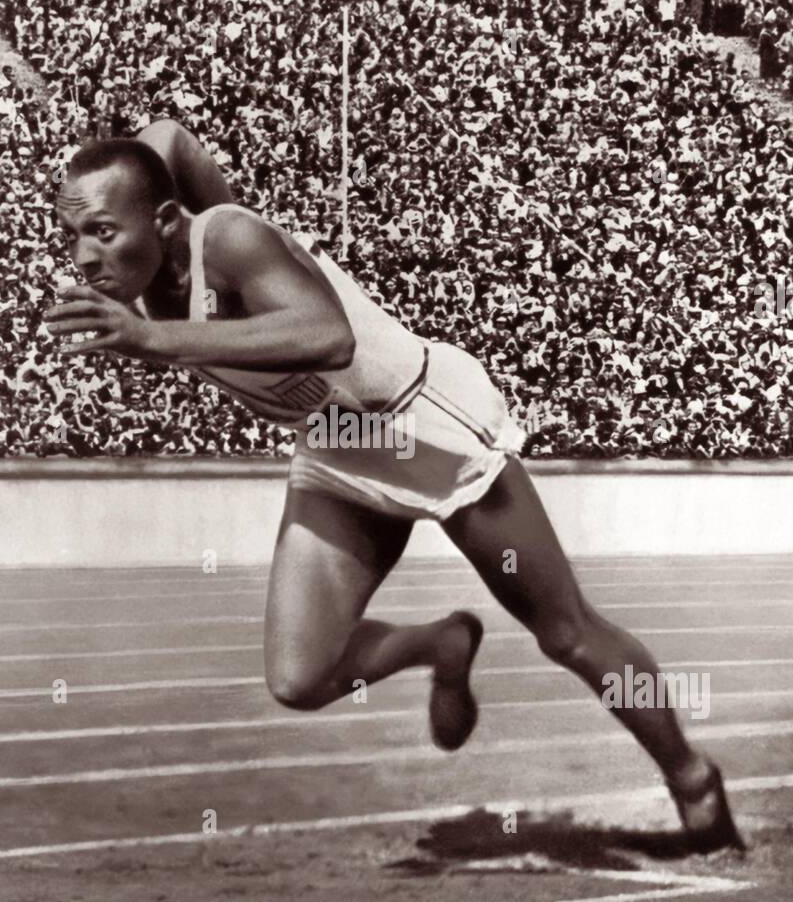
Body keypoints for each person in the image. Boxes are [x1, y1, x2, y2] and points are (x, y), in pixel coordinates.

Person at [45, 119, 744, 854]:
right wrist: (121, 188)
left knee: (565, 632)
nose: (86, 257)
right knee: (299, 677)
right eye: (75, 237)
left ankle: (691, 779)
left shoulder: (229, 240)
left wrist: (157, 339)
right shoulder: (154, 270)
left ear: (160, 217)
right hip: (341, 448)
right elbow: (169, 140)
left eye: (101, 231)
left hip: (422, 428)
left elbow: (328, 336)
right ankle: (438, 644)